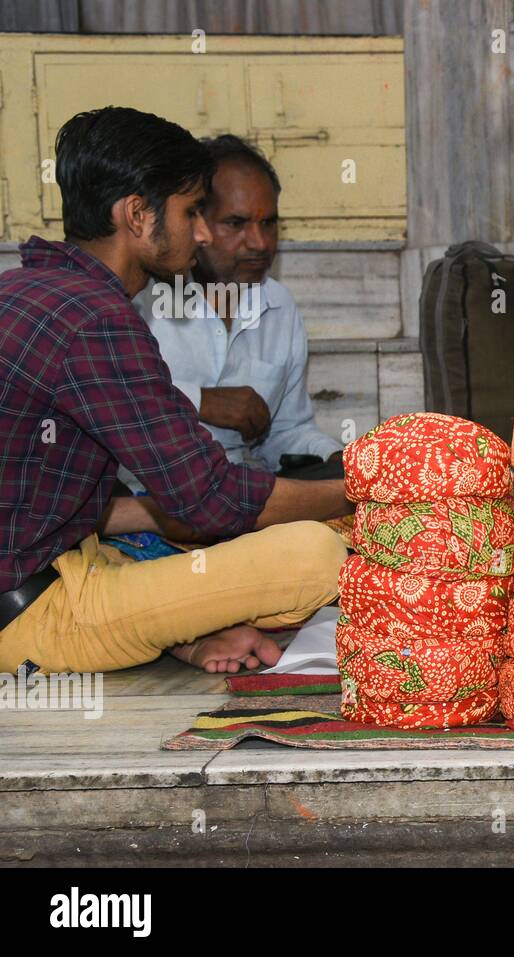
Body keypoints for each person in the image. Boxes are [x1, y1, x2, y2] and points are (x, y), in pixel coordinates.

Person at [0, 107, 348, 677]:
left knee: (162, 538)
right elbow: (207, 500)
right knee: (316, 556)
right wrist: (359, 492)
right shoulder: (97, 320)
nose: (204, 232)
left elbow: (86, 509)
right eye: (192, 212)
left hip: (67, 562)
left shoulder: (26, 288)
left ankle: (190, 637)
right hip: (34, 611)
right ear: (137, 216)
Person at [128, 134, 342, 482]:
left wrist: (339, 459)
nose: (259, 243)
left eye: (269, 223)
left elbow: (285, 433)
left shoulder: (278, 306)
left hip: (242, 494)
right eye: (236, 223)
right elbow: (117, 400)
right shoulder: (142, 299)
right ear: (193, 220)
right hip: (153, 500)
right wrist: (204, 401)